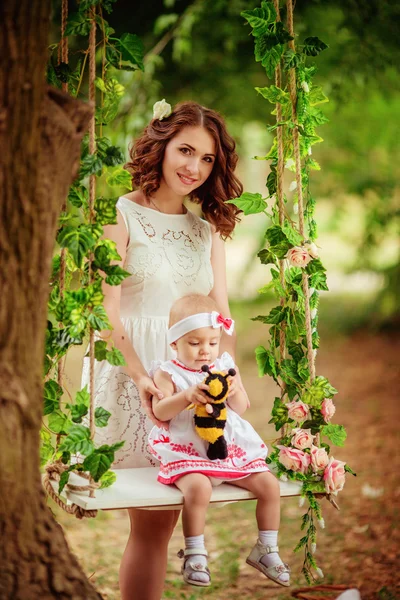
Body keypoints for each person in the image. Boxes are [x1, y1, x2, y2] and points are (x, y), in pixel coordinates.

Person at [81, 100, 242, 600]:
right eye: (185, 151)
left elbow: (220, 312)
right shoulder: (121, 214)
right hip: (133, 377)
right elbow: (106, 314)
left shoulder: (205, 230)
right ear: (161, 146)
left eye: (208, 159)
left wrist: (228, 380)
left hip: (189, 383)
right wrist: (140, 376)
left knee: (161, 523)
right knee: (148, 519)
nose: (194, 167)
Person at [148, 293, 290, 589]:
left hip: (228, 449)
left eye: (212, 343)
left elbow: (241, 408)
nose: (205, 351)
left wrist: (234, 388)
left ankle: (266, 548)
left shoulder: (223, 366)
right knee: (198, 489)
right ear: (175, 343)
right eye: (195, 343)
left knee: (269, 485)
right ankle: (195, 552)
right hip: (188, 450)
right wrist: (186, 396)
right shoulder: (168, 372)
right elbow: (159, 411)